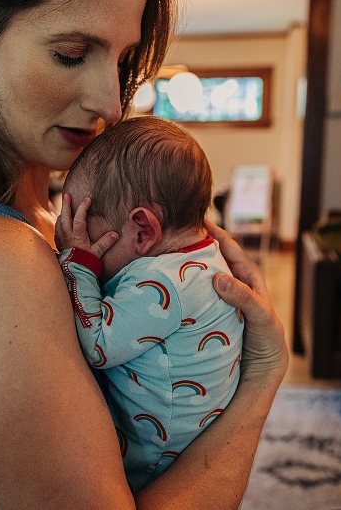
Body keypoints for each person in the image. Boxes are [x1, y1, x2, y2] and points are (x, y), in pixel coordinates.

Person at [0, 0, 288, 508]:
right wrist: (262, 377)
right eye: (71, 54)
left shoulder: (41, 221)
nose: (112, 105)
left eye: (123, 61)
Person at [55, 116, 244, 492]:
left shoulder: (163, 282)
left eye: (85, 231)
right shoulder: (204, 255)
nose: (78, 241)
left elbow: (98, 345)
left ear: (142, 230)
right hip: (190, 440)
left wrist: (77, 264)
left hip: (152, 463)